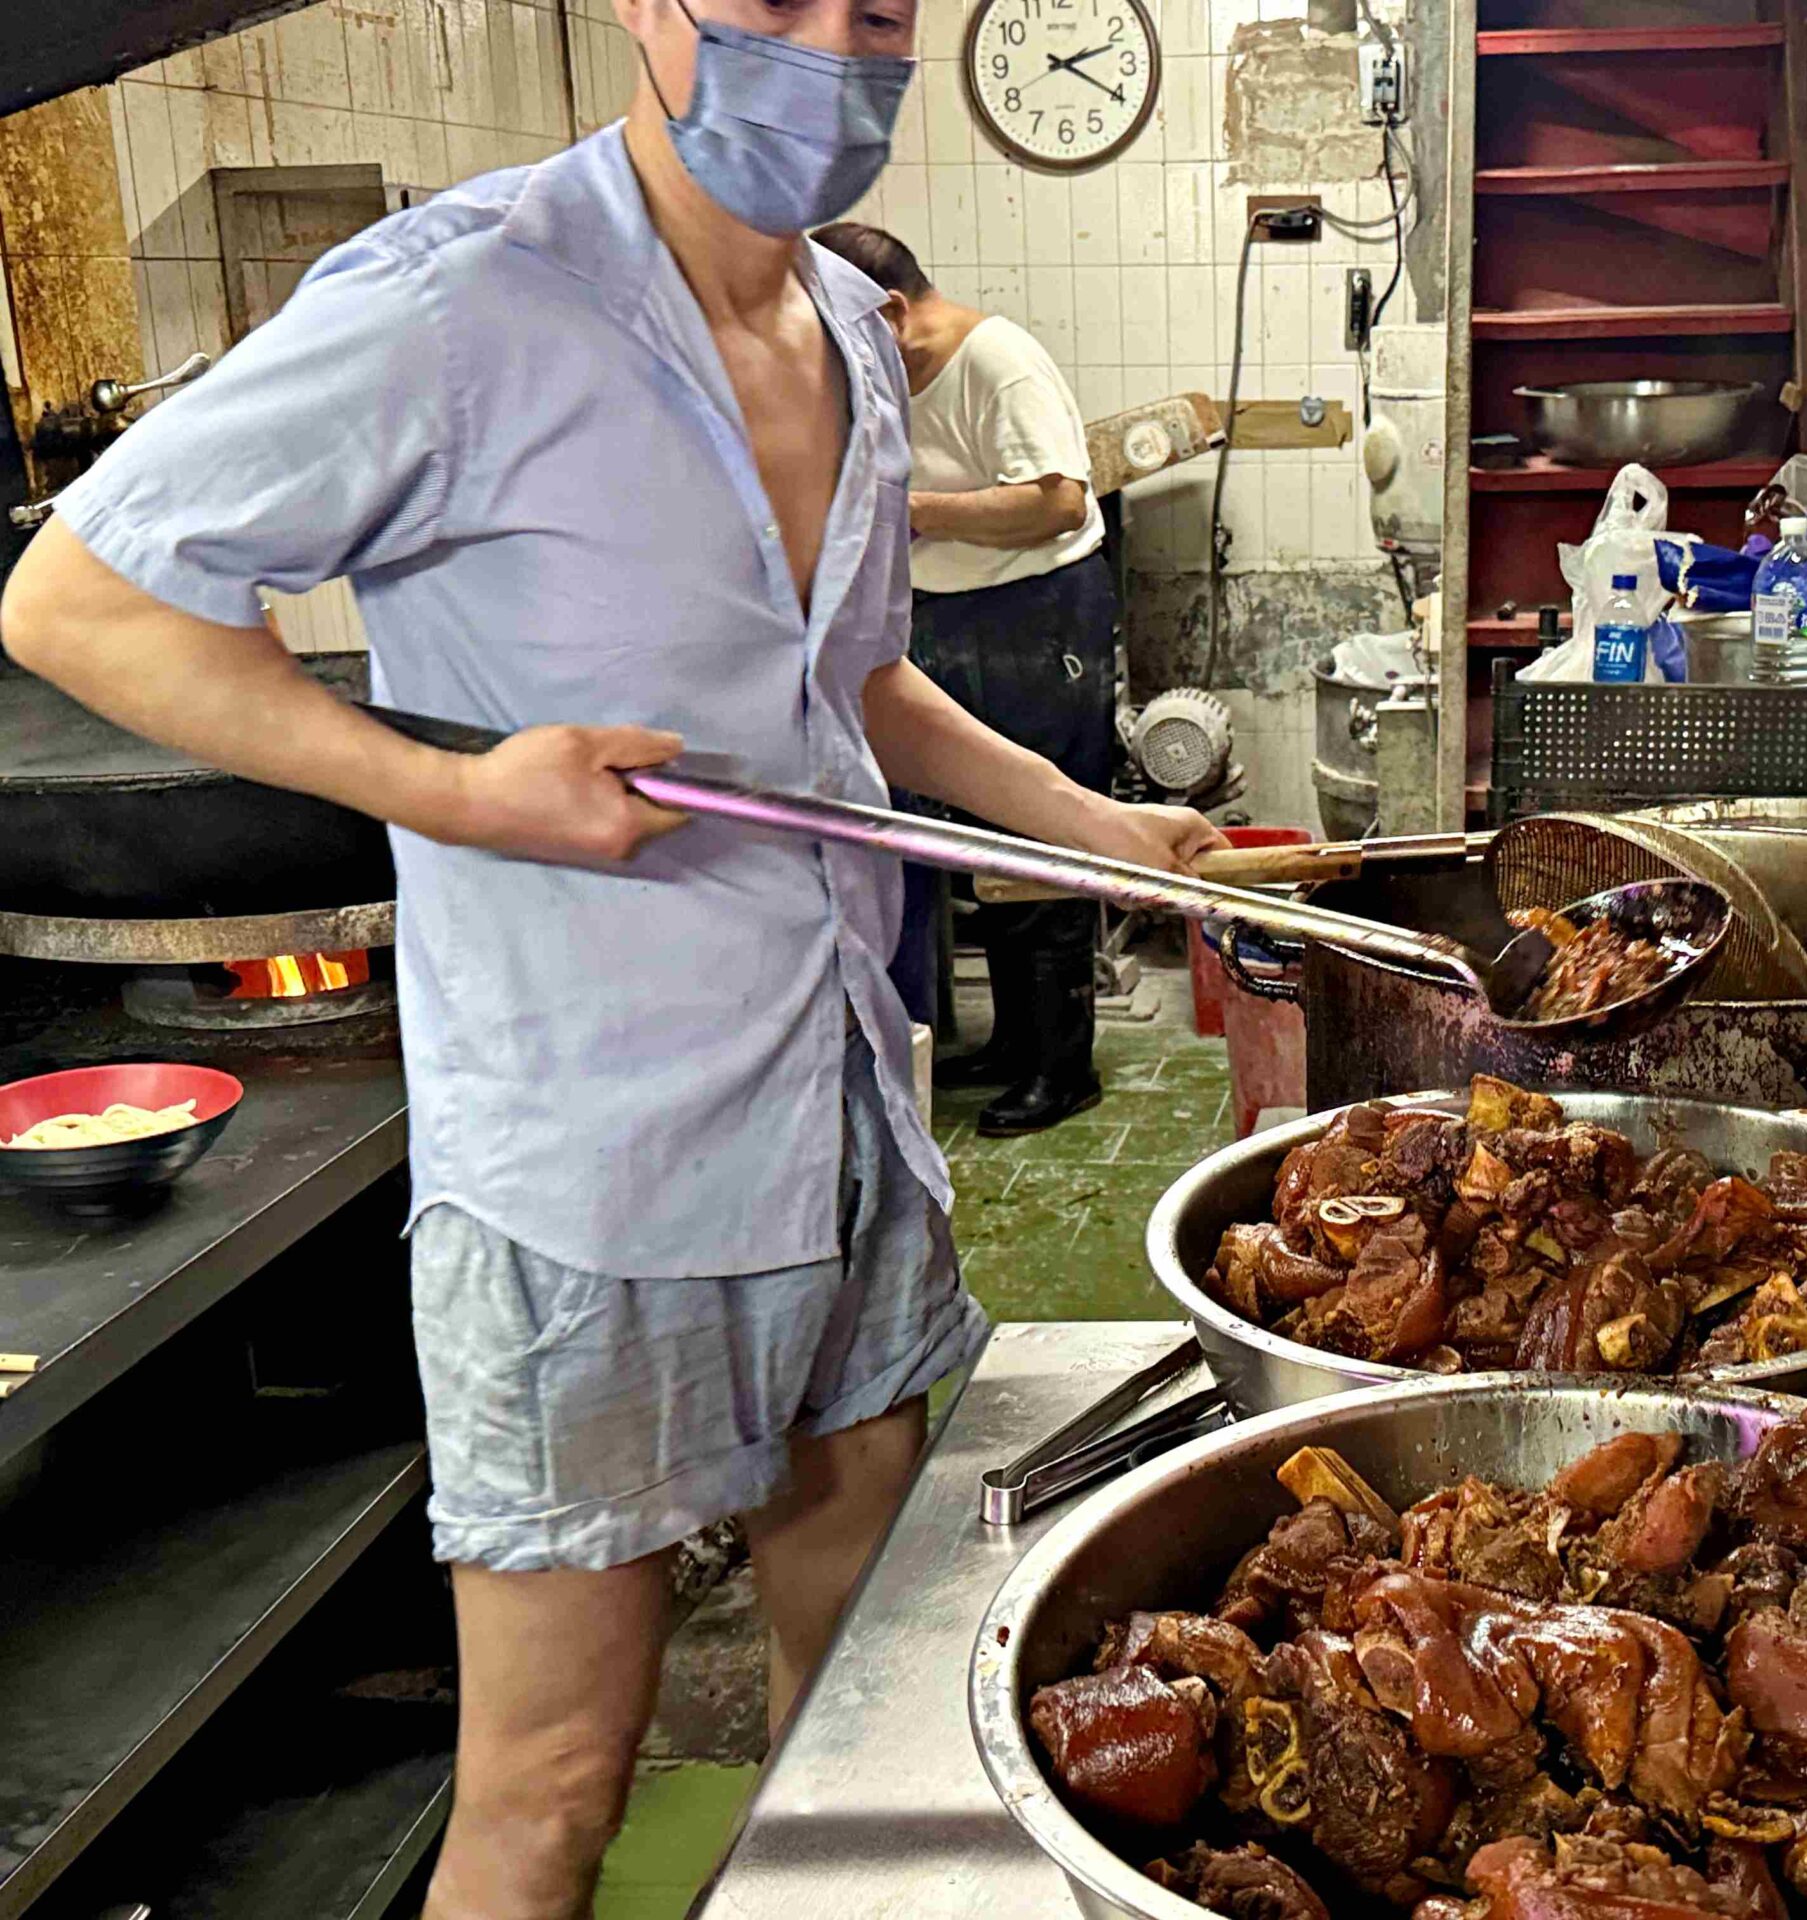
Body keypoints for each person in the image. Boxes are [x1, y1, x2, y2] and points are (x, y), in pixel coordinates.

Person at [0, 4, 1220, 1917]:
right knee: (556, 1783)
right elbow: (76, 603)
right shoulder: (460, 302)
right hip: (590, 1175)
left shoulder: (855, 336)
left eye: (874, 12)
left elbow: (864, 681)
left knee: (872, 1702)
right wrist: (463, 795)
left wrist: (1102, 829)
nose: (829, 44)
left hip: (840, 1113)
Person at [810, 222, 1115, 1137]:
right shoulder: (895, 377)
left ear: (895, 312)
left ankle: (1063, 1068)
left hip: (1040, 619)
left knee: (1043, 846)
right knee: (980, 845)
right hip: (952, 616)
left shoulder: (999, 360)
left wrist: (913, 513)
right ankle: (1015, 1045)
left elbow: (1058, 499)